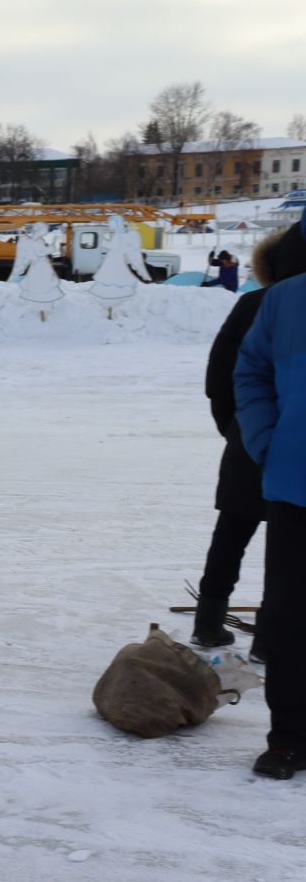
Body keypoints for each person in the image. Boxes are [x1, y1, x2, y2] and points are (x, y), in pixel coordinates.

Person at [194, 224, 305, 653]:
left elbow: (220, 375)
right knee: (289, 550)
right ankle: (270, 640)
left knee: (232, 531)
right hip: (286, 443)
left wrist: (236, 428)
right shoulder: (281, 304)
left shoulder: (253, 304)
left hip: (250, 435)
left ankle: (208, 622)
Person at [234, 217, 306, 780]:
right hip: (296, 486)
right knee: (286, 619)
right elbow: (250, 371)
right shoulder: (285, 300)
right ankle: (288, 737)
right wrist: (267, 440)